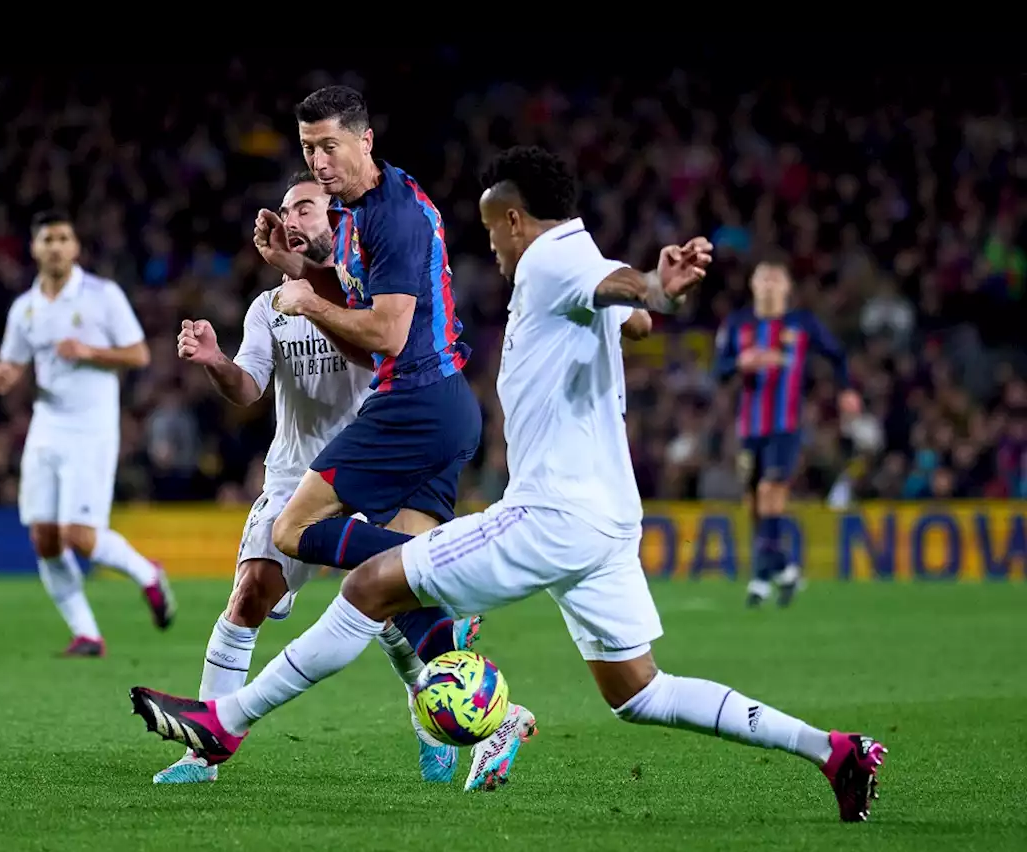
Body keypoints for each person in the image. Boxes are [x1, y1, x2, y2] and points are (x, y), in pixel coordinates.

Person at [130, 147, 888, 822]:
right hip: (607, 523)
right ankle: (833, 751)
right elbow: (631, 314)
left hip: (548, 513)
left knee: (368, 585)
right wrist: (648, 298)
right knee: (640, 693)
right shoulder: (575, 261)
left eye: (493, 231)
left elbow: (633, 295)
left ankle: (224, 721)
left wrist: (658, 284)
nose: (489, 247)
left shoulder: (553, 260)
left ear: (517, 220)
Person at [162, 171, 476, 785]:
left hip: (376, 465)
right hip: (294, 474)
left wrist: (310, 287)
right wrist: (216, 362)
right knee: (251, 593)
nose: (293, 218)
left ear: (337, 218)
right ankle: (204, 750)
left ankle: (431, 723)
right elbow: (248, 389)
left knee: (389, 608)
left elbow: (381, 351)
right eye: (286, 209)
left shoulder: (365, 289)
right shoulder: (269, 307)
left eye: (306, 207)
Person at [250, 88, 495, 688]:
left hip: (414, 399)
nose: (319, 162)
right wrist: (300, 271)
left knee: (292, 530)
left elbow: (386, 334)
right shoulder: (359, 212)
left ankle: (456, 575)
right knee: (384, 582)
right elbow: (361, 332)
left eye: (330, 146)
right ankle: (496, 719)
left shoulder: (392, 217)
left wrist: (306, 301)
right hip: (441, 402)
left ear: (365, 140)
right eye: (309, 148)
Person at [0, 209, 173, 657]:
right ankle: (87, 633)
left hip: (92, 428)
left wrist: (89, 351)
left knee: (80, 536)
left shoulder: (101, 296)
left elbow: (138, 354)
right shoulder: (25, 308)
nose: (55, 246)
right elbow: (12, 362)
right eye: (47, 239)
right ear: (34, 249)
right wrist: (5, 374)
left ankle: (147, 573)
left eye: (63, 238)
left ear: (75, 248)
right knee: (44, 537)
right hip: (46, 426)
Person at [714, 259, 861, 607]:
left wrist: (847, 390)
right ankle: (784, 570)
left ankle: (761, 580)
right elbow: (717, 371)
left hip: (786, 426)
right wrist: (740, 363)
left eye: (775, 278)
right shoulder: (737, 325)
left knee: (769, 492)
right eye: (761, 277)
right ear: (752, 285)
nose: (767, 284)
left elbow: (837, 356)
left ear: (787, 287)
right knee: (753, 503)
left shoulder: (802, 324)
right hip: (749, 428)